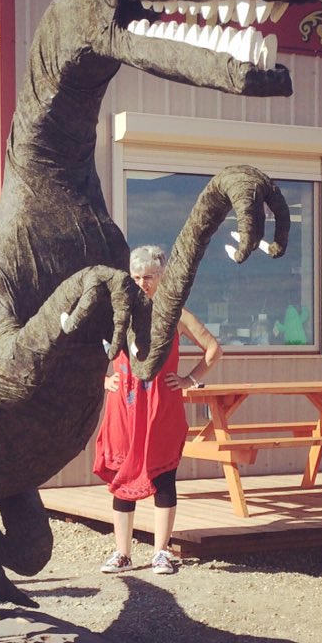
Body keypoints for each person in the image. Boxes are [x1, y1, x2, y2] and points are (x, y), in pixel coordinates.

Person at [93, 245, 220, 574]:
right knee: (123, 474)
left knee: (163, 475)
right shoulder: (119, 311)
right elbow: (86, 346)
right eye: (135, 277)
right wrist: (101, 378)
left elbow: (213, 349)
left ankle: (161, 551)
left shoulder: (174, 313)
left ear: (162, 277)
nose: (141, 283)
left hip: (161, 405)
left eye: (148, 277)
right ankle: (122, 553)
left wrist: (190, 379)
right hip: (124, 404)